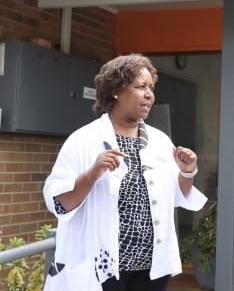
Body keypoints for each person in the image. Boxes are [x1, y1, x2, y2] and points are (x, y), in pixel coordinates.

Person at [43, 54, 207, 291]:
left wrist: (187, 172)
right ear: (116, 90)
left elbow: (177, 197)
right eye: (141, 87)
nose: (149, 94)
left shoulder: (160, 140)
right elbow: (58, 202)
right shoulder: (83, 140)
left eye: (151, 87)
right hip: (103, 269)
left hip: (150, 268)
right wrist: (93, 173)